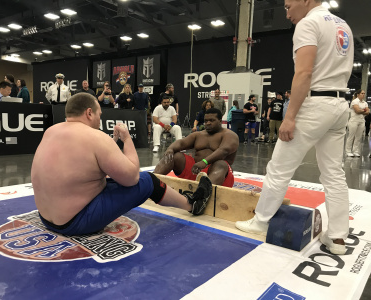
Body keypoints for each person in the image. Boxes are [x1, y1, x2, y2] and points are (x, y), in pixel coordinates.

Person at [236, 0, 354, 256]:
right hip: (339, 105)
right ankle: (337, 238)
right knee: (333, 173)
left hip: (314, 105)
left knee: (279, 167)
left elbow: (303, 74)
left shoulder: (309, 23)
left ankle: (260, 221)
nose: (287, 12)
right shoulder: (342, 25)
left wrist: (289, 117)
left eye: (289, 6)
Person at [31, 93, 213, 236]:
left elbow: (80, 168)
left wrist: (110, 145)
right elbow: (132, 178)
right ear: (89, 113)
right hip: (75, 223)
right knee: (148, 180)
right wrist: (126, 139)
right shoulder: (96, 137)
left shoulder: (50, 131)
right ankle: (192, 205)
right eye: (99, 115)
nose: (99, 121)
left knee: (105, 178)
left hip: (47, 219)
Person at [154, 108, 239, 187]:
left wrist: (205, 161)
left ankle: (203, 194)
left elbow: (224, 150)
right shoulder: (199, 134)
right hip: (196, 171)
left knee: (221, 163)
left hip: (219, 176)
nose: (208, 123)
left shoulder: (230, 135)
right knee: (174, 156)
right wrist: (170, 149)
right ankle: (152, 180)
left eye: (212, 120)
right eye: (206, 121)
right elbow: (181, 143)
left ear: (220, 121)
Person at [345, 90, 368, 157]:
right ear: (358, 94)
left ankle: (355, 151)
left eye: (364, 93)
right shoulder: (354, 101)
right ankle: (348, 151)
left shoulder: (365, 103)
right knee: (351, 136)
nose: (363, 95)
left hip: (362, 121)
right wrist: (364, 110)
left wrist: (362, 111)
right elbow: (357, 111)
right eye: (362, 93)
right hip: (354, 121)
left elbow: (368, 112)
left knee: (358, 137)